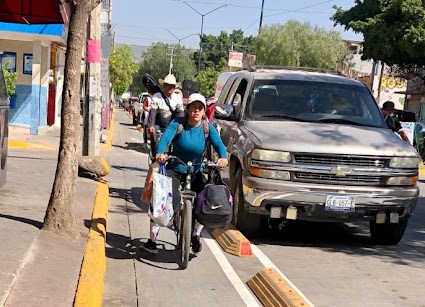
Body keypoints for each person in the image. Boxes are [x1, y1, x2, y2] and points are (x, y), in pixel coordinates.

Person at [140, 93, 228, 254]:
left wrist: (223, 157)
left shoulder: (208, 127)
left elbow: (219, 145)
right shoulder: (178, 123)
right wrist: (160, 152)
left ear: (203, 112)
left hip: (197, 170)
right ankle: (152, 241)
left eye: (200, 108)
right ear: (188, 110)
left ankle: (195, 234)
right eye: (193, 107)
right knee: (162, 202)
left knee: (204, 203)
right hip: (176, 168)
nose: (196, 110)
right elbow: (166, 138)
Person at [147, 73, 185, 156]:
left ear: (174, 88)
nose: (169, 88)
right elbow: (153, 112)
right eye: (167, 85)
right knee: (155, 135)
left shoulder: (178, 98)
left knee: (181, 136)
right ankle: (154, 155)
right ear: (163, 86)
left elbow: (181, 114)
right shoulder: (157, 97)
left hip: (172, 126)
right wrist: (151, 125)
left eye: (172, 86)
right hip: (159, 125)